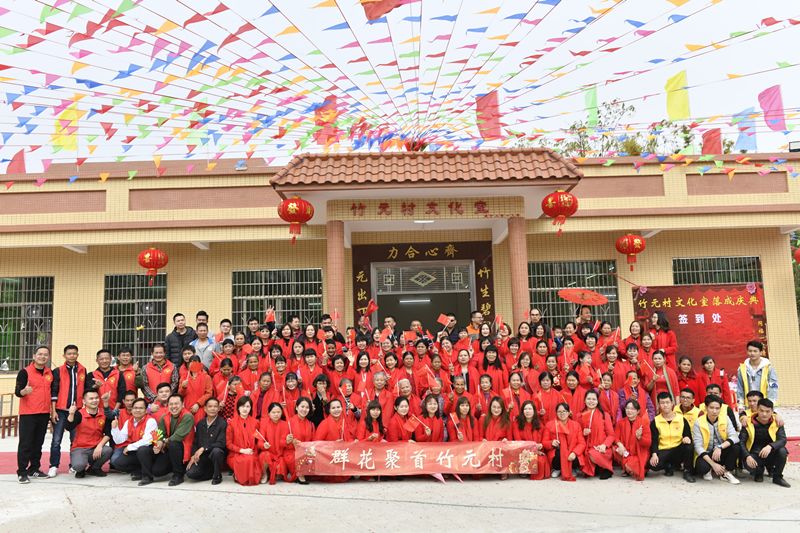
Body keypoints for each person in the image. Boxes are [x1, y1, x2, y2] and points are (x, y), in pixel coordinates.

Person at [49, 344, 90, 478]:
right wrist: (53, 411)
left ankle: (73, 465)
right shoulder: (58, 371)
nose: (72, 356)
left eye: (74, 353)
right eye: (69, 353)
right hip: (60, 410)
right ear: (64, 355)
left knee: (75, 440)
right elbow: (54, 391)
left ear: (77, 355)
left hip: (76, 411)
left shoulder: (83, 370)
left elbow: (86, 389)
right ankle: (54, 465)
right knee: (56, 440)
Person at [136, 394, 195, 486]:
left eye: (176, 404)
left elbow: (178, 436)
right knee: (143, 451)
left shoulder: (188, 416)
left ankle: (178, 475)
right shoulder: (165, 417)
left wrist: (163, 442)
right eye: (171, 404)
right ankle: (147, 476)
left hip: (182, 449)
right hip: (168, 448)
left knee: (173, 443)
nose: (173, 406)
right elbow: (160, 433)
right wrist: (158, 442)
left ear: (182, 404)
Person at [15, 346, 54, 483]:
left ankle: (34, 469)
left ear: (48, 357)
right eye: (40, 354)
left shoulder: (49, 373)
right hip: (28, 414)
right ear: (34, 356)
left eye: (45, 355)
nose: (42, 357)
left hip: (44, 413)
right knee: (26, 444)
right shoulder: (24, 372)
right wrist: (24, 392)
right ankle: (22, 472)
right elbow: (18, 392)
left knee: (38, 443)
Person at [739, 398, 790, 487]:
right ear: (757, 409)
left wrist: (770, 446)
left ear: (772, 412)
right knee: (749, 464)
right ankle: (759, 471)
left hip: (771, 452)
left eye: (767, 411)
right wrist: (747, 456)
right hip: (754, 454)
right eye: (761, 411)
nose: (764, 414)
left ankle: (777, 477)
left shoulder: (777, 421)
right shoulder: (748, 422)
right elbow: (741, 442)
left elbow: (782, 439)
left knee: (782, 451)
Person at [692, 395, 740, 484]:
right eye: (711, 408)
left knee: (736, 447)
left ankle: (725, 472)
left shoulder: (725, 418)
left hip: (721, 451)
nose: (714, 411)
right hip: (707, 453)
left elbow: (734, 437)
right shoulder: (698, 422)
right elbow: (698, 446)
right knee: (702, 468)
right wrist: (713, 464)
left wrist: (719, 447)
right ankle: (711, 468)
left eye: (717, 408)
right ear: (706, 407)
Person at [648, 392, 695, 483]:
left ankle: (687, 471)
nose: (665, 405)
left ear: (672, 403)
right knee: (652, 465)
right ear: (658, 405)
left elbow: (687, 435)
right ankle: (668, 466)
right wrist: (654, 454)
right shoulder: (656, 421)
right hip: (663, 450)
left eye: (667, 402)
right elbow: (654, 440)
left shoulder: (681, 419)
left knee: (689, 446)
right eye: (662, 403)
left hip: (678, 449)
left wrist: (686, 438)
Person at [65, 389, 113, 478]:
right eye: (91, 399)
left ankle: (94, 468)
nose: (94, 400)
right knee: (78, 466)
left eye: (96, 398)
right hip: (80, 448)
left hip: (96, 447)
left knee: (108, 450)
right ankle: (81, 469)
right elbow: (68, 427)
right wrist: (71, 414)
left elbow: (108, 433)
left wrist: (100, 446)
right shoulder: (79, 414)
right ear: (84, 401)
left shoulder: (103, 413)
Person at [110, 398, 157, 481]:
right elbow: (119, 440)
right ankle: (139, 470)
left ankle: (147, 476)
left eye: (141, 408)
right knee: (118, 463)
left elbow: (147, 440)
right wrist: (115, 428)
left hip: (149, 450)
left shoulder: (151, 421)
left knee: (142, 450)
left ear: (146, 410)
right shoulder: (129, 422)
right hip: (136, 449)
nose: (137, 410)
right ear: (132, 409)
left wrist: (130, 447)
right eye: (135, 408)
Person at [186, 397, 227, 485]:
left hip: (215, 456)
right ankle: (211, 473)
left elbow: (221, 443)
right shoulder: (200, 423)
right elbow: (195, 442)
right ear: (205, 408)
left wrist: (204, 448)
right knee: (190, 473)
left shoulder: (223, 423)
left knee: (217, 451)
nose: (213, 409)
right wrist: (193, 455)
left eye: (215, 406)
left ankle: (217, 475)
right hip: (203, 457)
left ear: (219, 408)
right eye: (210, 406)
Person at [543, 402, 585, 481]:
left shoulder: (576, 425)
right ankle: (557, 468)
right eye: (559, 411)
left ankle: (572, 468)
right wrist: (551, 443)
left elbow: (582, 443)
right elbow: (544, 442)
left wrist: (574, 452)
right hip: (558, 451)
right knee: (558, 454)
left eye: (564, 411)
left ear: (569, 413)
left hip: (572, 450)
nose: (562, 413)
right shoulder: (550, 425)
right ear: (556, 413)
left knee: (575, 455)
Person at [225, 396, 261, 486]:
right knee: (246, 460)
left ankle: (240, 475)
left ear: (251, 408)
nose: (245, 409)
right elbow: (228, 444)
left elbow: (258, 441)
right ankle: (239, 474)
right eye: (242, 406)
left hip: (251, 452)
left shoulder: (256, 423)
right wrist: (242, 450)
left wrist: (253, 450)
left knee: (251, 459)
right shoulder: (232, 423)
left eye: (247, 406)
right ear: (238, 408)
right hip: (236, 454)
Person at [578, 390, 614, 479]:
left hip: (601, 447)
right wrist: (582, 433)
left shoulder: (604, 415)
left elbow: (611, 435)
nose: (591, 401)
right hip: (585, 447)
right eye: (588, 399)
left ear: (598, 401)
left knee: (593, 454)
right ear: (584, 400)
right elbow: (575, 435)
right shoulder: (579, 416)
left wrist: (604, 445)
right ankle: (597, 467)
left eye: (594, 399)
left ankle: (606, 468)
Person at [511, 400, 548, 479]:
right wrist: (533, 449)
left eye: (530, 409)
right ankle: (524, 470)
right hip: (522, 450)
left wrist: (540, 446)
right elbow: (518, 441)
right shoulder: (516, 423)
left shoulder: (539, 424)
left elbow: (543, 441)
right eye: (525, 409)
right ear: (522, 411)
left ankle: (529, 470)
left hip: (537, 450)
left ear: (534, 411)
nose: (527, 411)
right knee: (526, 457)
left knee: (540, 461)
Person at [736, 340, 778, 406]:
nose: (752, 353)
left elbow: (773, 387)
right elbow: (739, 388)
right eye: (750, 351)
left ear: (761, 352)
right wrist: (740, 405)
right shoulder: (741, 369)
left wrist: (770, 404)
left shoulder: (769, 368)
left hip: (764, 405)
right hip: (749, 404)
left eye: (755, 351)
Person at [258, 402, 289, 484]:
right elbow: (259, 443)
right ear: (269, 414)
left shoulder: (285, 425)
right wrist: (264, 445)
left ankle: (273, 471)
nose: (276, 414)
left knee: (279, 475)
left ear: (281, 412)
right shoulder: (264, 424)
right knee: (264, 455)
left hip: (280, 454)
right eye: (273, 412)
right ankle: (264, 473)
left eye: (278, 412)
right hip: (268, 452)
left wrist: (287, 441)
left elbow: (284, 443)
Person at [286, 397, 315, 484]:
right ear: (296, 407)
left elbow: (313, 441)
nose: (304, 409)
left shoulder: (311, 424)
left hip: (306, 451)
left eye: (307, 407)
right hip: (291, 451)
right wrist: (289, 441)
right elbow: (282, 441)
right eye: (302, 406)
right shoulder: (289, 422)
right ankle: (300, 475)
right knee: (298, 457)